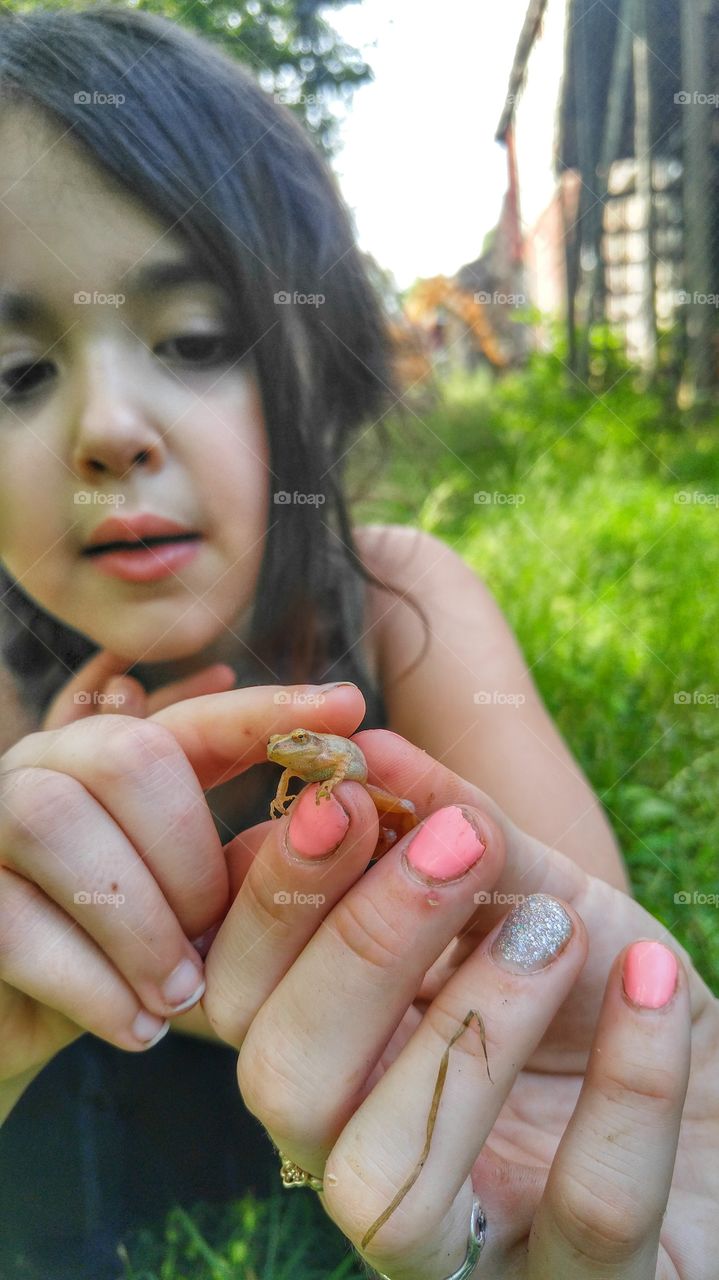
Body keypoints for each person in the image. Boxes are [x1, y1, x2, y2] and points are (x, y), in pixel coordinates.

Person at [0, 6, 714, 1279]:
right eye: (13, 372)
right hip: (112, 1145)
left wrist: (433, 893)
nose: (107, 427)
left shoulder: (399, 596)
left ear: (314, 374)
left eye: (197, 341)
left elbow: (589, 943)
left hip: (394, 1111)